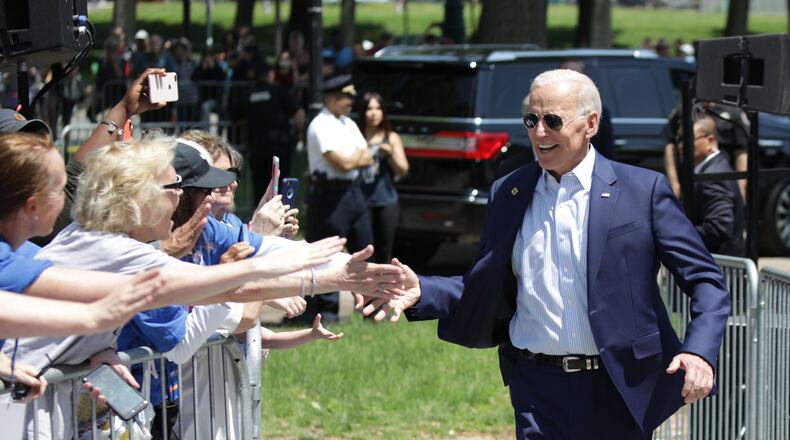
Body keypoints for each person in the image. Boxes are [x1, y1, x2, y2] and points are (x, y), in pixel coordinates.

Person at [362, 69, 731, 439]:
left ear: (590, 123)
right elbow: (488, 282)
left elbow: (706, 281)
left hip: (617, 389)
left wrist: (699, 352)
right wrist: (423, 290)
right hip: (536, 389)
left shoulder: (642, 190)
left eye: (552, 121)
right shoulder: (510, 191)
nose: (539, 133)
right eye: (531, 119)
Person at [305, 74, 375, 322]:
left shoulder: (349, 124)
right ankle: (327, 312)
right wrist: (355, 158)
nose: (350, 103)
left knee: (365, 247)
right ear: (333, 98)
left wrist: (354, 159)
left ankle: (372, 307)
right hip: (329, 195)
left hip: (352, 192)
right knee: (328, 254)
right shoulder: (320, 125)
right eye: (346, 98)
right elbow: (342, 163)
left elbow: (367, 156)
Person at [231, 59, 304, 201]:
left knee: (260, 190)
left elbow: (235, 116)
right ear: (270, 74)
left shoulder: (248, 95)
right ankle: (282, 217)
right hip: (280, 148)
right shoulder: (279, 91)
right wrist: (297, 134)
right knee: (282, 187)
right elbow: (299, 113)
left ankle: (261, 216)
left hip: (257, 149)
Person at [354, 92, 409, 264]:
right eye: (369, 108)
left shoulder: (391, 137)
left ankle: (383, 289)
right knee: (364, 250)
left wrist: (391, 153)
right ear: (362, 111)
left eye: (378, 108)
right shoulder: (355, 135)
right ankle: (364, 288)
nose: (374, 113)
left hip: (386, 201)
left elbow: (403, 170)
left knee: (385, 251)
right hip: (361, 201)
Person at [682, 115, 746, 256]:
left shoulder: (713, 176)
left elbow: (719, 228)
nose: (681, 146)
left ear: (710, 141)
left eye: (688, 140)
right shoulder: (710, 170)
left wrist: (678, 232)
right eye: (679, 140)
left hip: (720, 268)